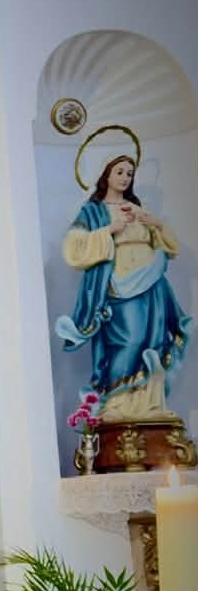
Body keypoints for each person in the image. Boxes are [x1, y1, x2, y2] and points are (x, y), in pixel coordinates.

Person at [58, 151, 190, 421]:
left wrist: (157, 224)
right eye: (119, 171)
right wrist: (109, 229)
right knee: (130, 340)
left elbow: (171, 247)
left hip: (152, 283)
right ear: (106, 174)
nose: (125, 177)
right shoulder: (93, 211)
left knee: (153, 342)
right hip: (120, 285)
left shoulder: (139, 209)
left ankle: (147, 405)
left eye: (130, 173)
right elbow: (73, 247)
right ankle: (115, 403)